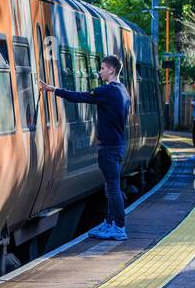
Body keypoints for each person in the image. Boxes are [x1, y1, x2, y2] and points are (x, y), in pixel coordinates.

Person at [38, 54, 130, 241]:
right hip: (116, 145)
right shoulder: (123, 91)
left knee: (112, 188)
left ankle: (119, 227)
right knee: (110, 187)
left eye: (103, 68)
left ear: (112, 70)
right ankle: (111, 223)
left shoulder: (108, 91)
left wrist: (53, 90)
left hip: (109, 148)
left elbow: (80, 97)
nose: (100, 71)